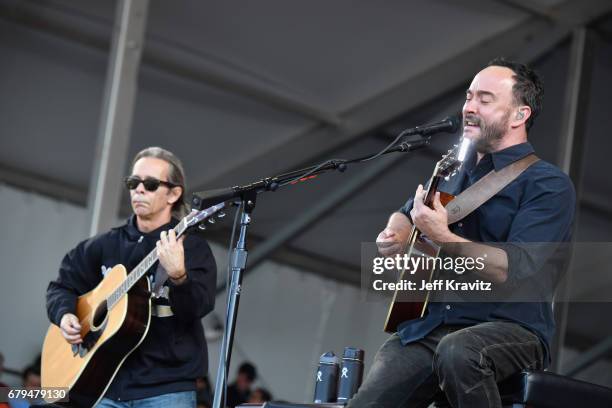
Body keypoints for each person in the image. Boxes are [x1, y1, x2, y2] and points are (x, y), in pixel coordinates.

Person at [349, 58, 575, 408]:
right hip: (430, 325)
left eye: (485, 100)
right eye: (469, 97)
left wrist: (443, 238)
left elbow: (512, 268)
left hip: (509, 326)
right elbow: (408, 213)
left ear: (520, 115)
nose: (469, 107)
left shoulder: (547, 184)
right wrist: (395, 233)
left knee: (460, 352)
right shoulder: (452, 171)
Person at [46, 147, 217, 408]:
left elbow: (198, 308)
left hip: (167, 388)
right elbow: (62, 287)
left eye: (149, 184)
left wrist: (179, 276)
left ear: (174, 193)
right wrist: (65, 314)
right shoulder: (104, 245)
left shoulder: (189, 248)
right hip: (104, 385)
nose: (139, 190)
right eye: (133, 182)